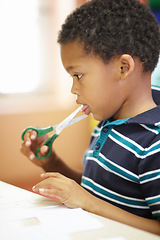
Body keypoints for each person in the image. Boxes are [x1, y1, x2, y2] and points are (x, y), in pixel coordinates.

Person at [20, 0, 160, 235]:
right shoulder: (107, 122)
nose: (73, 89)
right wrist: (52, 163)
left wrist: (88, 203)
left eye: (78, 75)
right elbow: (94, 190)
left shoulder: (154, 145)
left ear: (123, 67)